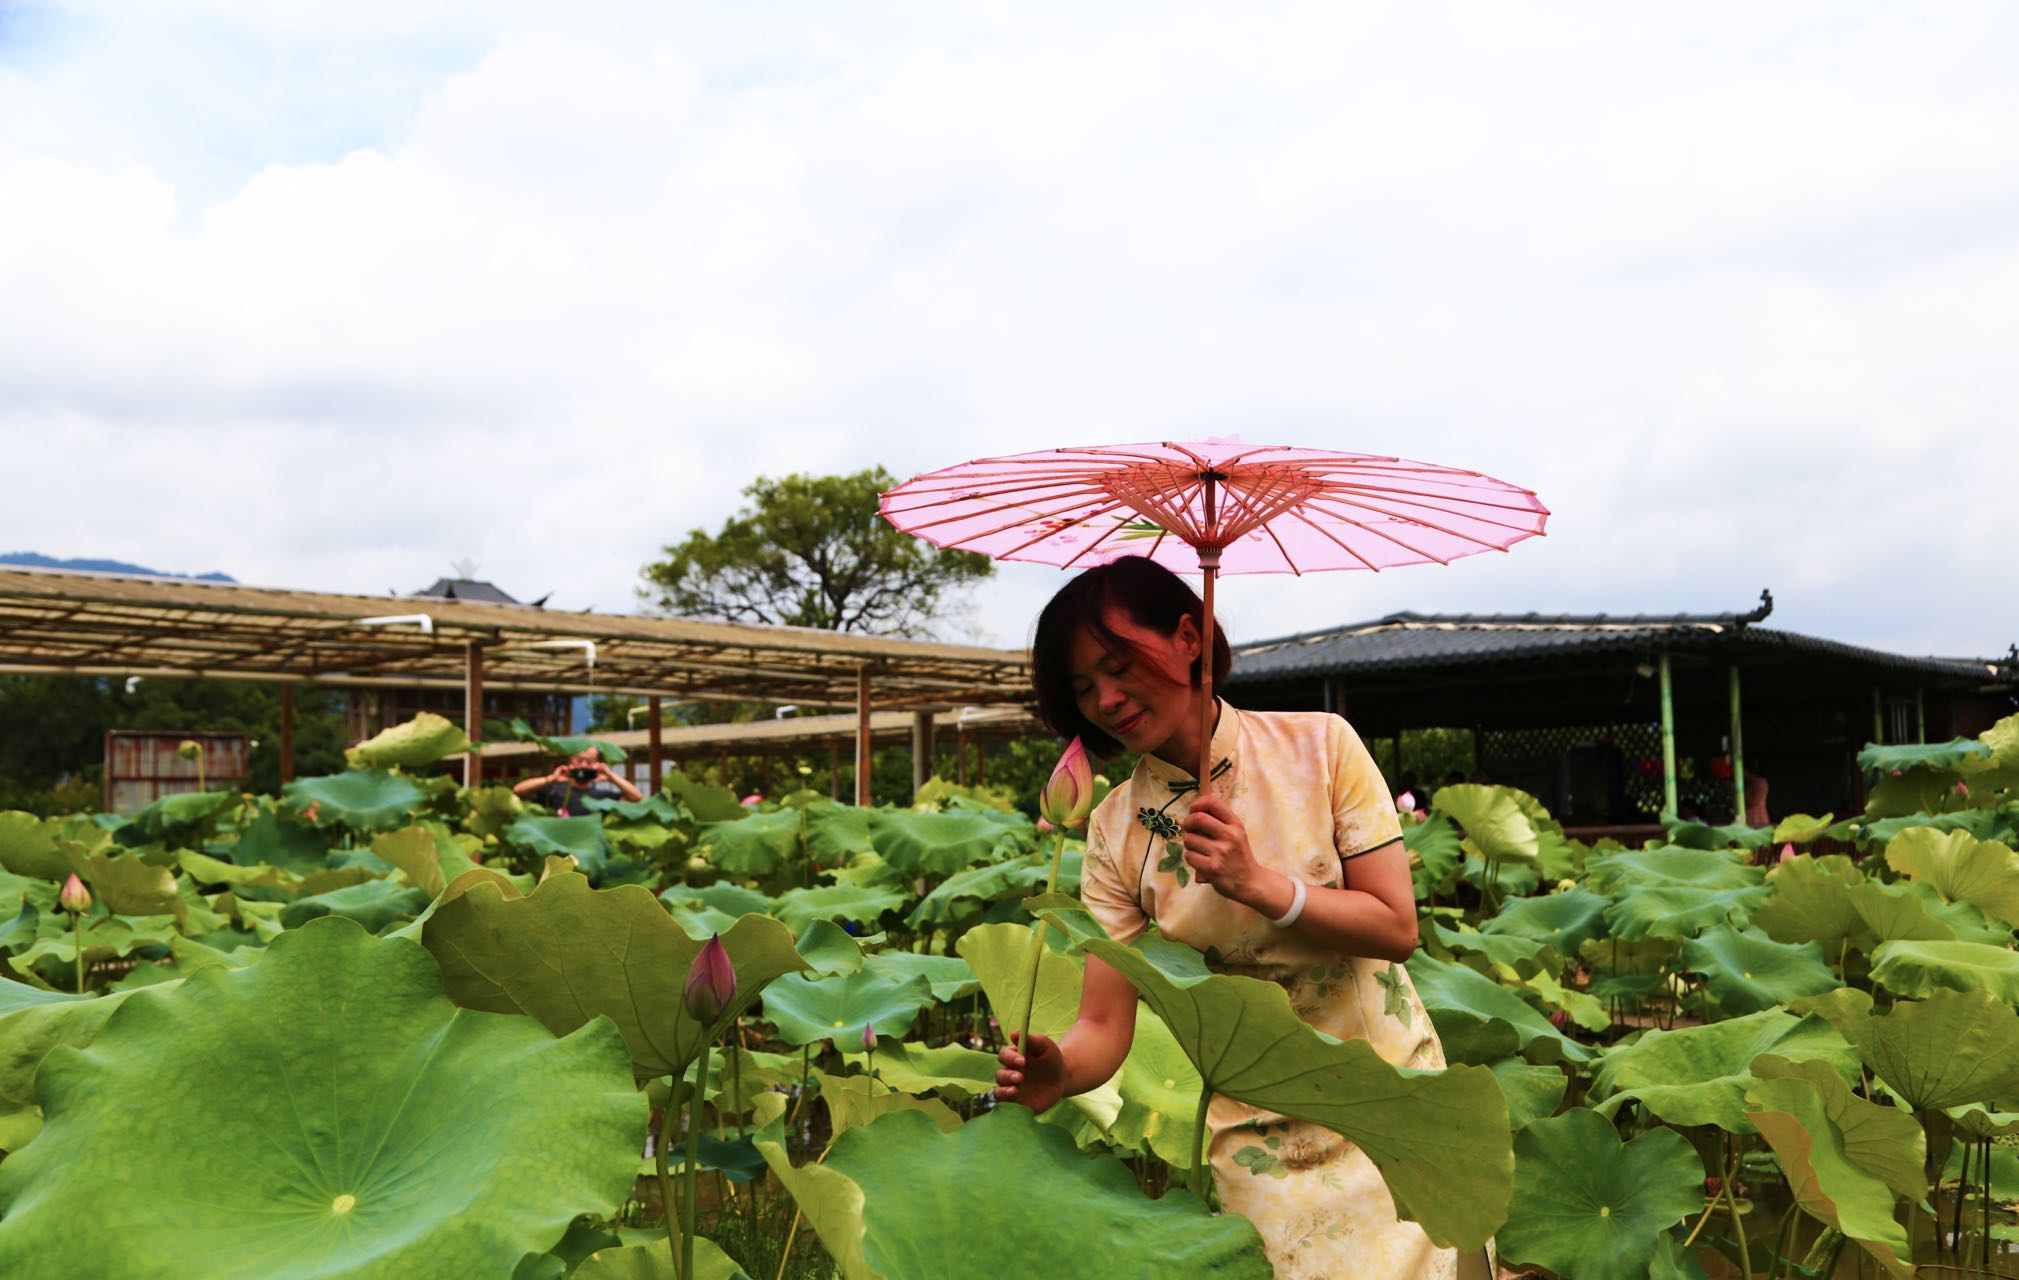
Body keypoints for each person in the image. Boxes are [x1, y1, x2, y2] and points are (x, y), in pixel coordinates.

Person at [994, 556, 1459, 1279]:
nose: (1107, 699)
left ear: (1187, 637)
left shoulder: (1323, 747)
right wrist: (1062, 1071)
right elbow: (1102, 1023)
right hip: (1253, 1141)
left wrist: (1261, 885)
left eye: (1119, 667)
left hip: (1388, 1102)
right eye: (1084, 688)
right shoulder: (1117, 828)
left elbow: (1396, 928)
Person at [511, 746, 641, 815]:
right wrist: (552, 778)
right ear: (570, 763)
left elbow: (636, 797)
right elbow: (518, 790)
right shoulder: (554, 791)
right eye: (579, 761)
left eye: (589, 762)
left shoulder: (603, 797)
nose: (583, 765)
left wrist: (610, 776)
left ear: (597, 765)